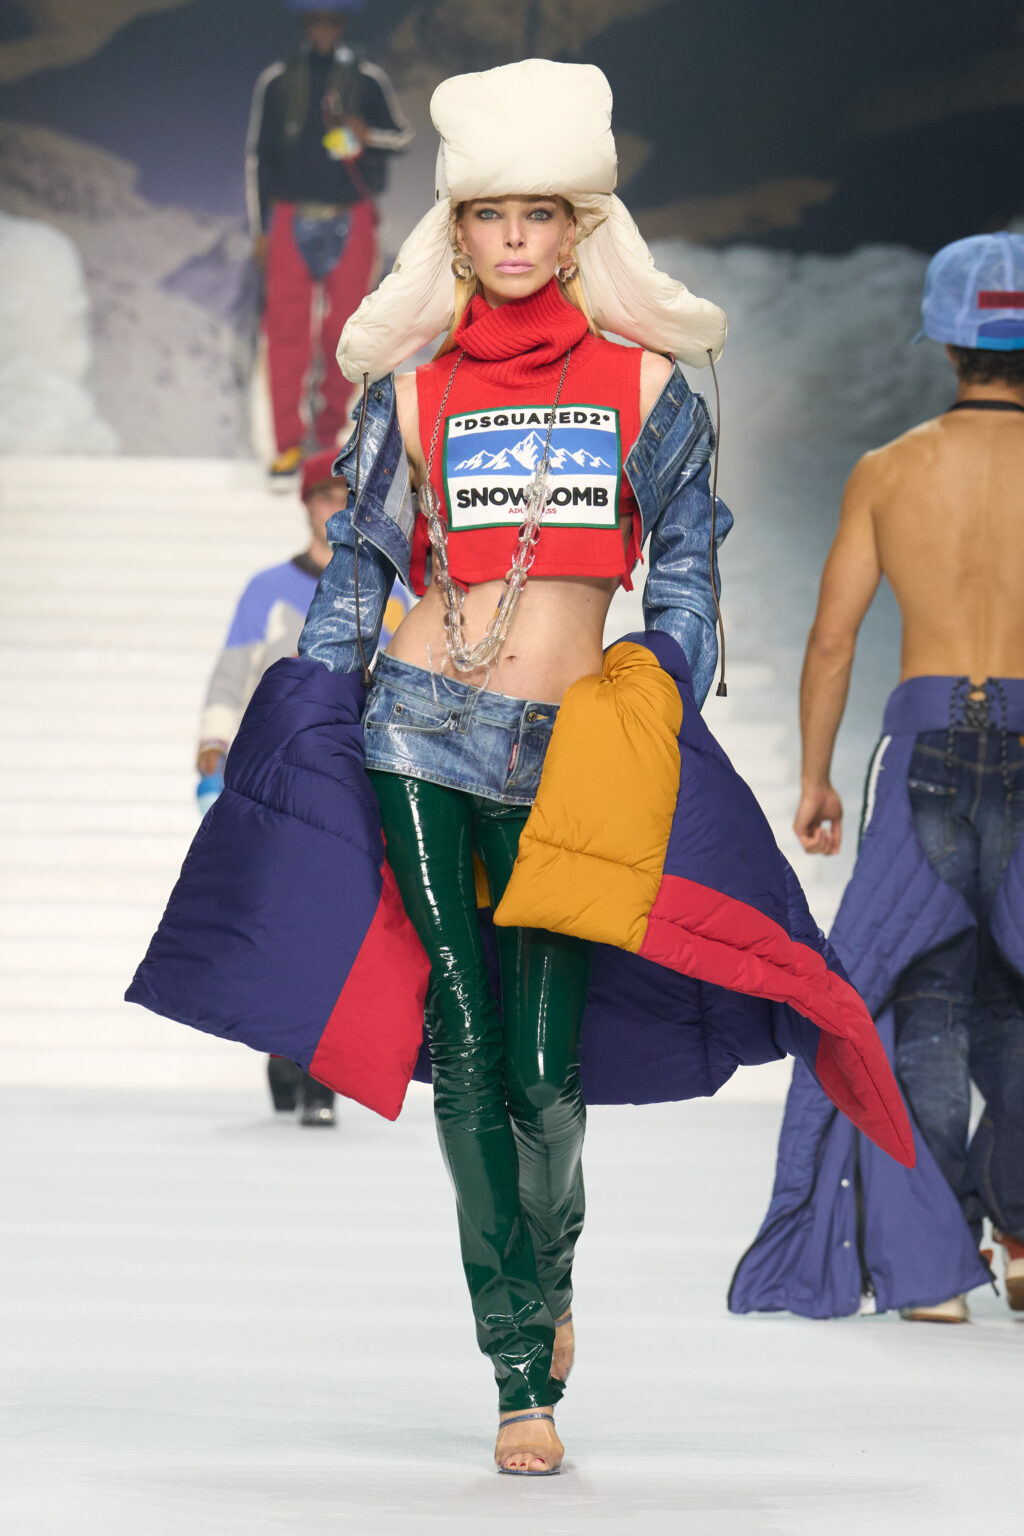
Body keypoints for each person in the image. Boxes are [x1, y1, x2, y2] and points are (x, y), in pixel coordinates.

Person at [129, 61, 913, 1477]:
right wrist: (308, 704)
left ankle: (546, 1287)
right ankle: (513, 1370)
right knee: (469, 1044)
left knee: (549, 1072)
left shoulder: (649, 386)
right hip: (416, 731)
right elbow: (361, 574)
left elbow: (687, 570)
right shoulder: (412, 389)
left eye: (538, 215)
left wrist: (661, 676)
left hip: (571, 752)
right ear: (458, 231)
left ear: (576, 229)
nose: (511, 239)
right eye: (488, 216)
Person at [730, 232, 1024, 1326]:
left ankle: (933, 1272)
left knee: (925, 997)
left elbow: (832, 639)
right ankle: (1022, 1232)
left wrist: (815, 776)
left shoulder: (889, 469)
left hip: (924, 746)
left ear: (946, 343)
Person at [196, 449, 410, 1125]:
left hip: (355, 779)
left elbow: (412, 679)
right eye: (323, 496)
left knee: (334, 924)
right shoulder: (267, 590)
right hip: (278, 777)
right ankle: (282, 1049)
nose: (334, 507)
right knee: (280, 920)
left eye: (345, 496)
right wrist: (212, 744)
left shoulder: (392, 592)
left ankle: (317, 1068)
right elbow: (233, 672)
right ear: (307, 505)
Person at [246, 1, 412, 486]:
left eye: (332, 19)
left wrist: (366, 134)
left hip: (350, 214)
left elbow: (401, 137)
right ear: (304, 23)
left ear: (343, 24)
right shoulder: (279, 80)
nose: (323, 28)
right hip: (291, 212)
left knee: (346, 333)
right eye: (316, 19)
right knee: (286, 332)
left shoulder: (366, 77)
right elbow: (259, 158)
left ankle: (327, 436)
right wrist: (260, 228)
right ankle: (287, 445)